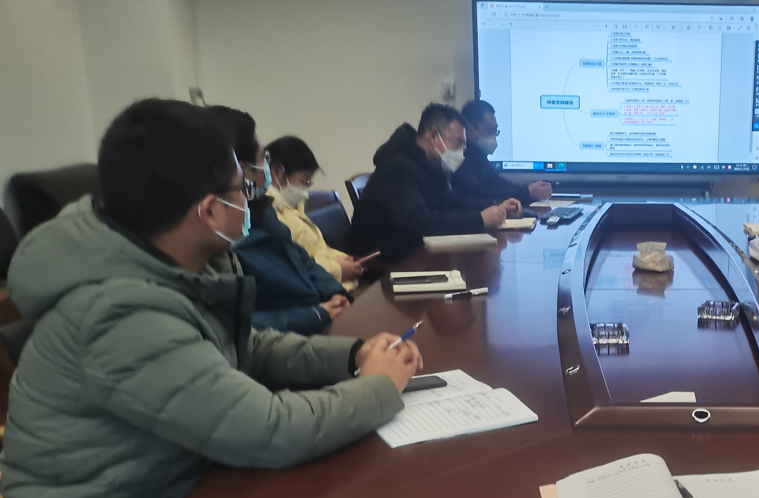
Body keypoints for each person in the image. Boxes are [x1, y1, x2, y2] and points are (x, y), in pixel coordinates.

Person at [0, 100, 421, 498]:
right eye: (243, 189)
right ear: (210, 211)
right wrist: (377, 388)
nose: (253, 199)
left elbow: (247, 347)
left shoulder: (174, 261)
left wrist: (353, 355)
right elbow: (269, 430)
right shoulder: (118, 314)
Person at [208, 106, 352, 335]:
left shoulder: (261, 209)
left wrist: (335, 293)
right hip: (293, 336)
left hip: (318, 319)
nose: (267, 167)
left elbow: (302, 259)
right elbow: (237, 324)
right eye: (263, 159)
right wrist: (316, 314)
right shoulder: (223, 237)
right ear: (241, 171)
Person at [349, 103, 523, 263]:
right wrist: (480, 219)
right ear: (434, 136)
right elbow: (419, 222)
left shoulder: (430, 164)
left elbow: (451, 201)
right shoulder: (396, 167)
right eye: (457, 143)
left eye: (464, 146)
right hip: (382, 265)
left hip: (415, 254)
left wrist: (496, 207)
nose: (461, 153)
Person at [265, 135, 364, 291]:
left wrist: (345, 260)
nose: (305, 191)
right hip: (323, 292)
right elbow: (298, 269)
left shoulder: (292, 209)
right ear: (277, 172)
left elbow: (318, 250)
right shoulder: (271, 216)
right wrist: (339, 269)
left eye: (308, 183)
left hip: (334, 286)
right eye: (303, 181)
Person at [454, 99, 552, 206]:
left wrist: (528, 189)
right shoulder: (460, 158)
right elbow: (482, 193)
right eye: (489, 129)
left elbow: (498, 183)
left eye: (495, 131)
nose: (493, 135)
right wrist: (527, 192)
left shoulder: (478, 155)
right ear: (469, 129)